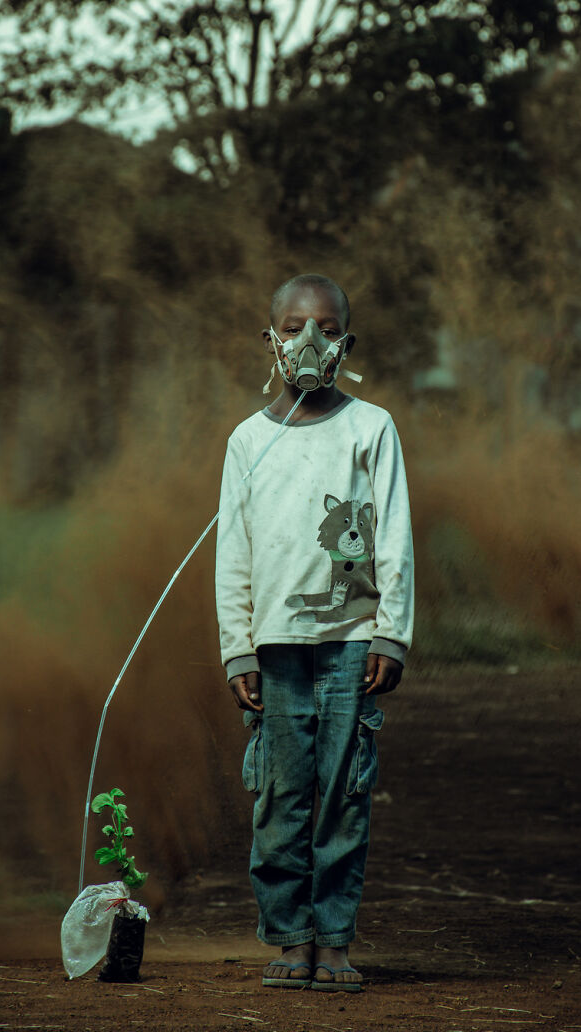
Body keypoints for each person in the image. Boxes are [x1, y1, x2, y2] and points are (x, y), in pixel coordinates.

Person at [215, 273, 414, 992]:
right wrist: (237, 644)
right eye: (295, 327)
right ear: (270, 341)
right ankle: (289, 935)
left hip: (350, 643)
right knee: (280, 794)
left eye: (327, 330)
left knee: (342, 794)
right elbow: (231, 552)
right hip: (274, 651)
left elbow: (392, 534)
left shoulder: (371, 429)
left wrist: (390, 633)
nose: (310, 342)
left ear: (346, 344)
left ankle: (333, 938)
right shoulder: (247, 442)